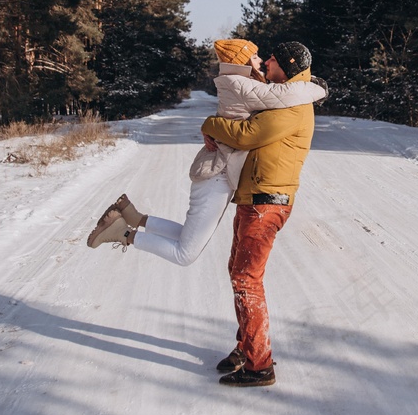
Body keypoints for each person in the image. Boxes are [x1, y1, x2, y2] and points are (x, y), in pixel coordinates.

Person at [85, 40, 326, 267]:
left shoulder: (247, 82)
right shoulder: (241, 83)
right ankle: (122, 233)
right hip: (218, 172)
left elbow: (279, 91)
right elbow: (280, 97)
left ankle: (134, 217)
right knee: (185, 254)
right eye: (254, 56)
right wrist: (317, 88)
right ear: (241, 62)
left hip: (220, 171)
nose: (262, 60)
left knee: (187, 235)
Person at [201, 41, 317, 388]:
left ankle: (259, 365)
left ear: (288, 66)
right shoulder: (285, 93)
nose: (266, 61)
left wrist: (210, 123)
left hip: (267, 200)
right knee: (238, 272)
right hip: (255, 196)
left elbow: (249, 134)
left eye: (273, 59)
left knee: (246, 278)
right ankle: (246, 347)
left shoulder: (294, 104)